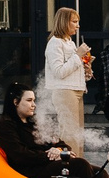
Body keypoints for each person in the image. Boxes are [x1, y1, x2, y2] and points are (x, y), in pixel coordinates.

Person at [0, 84, 92, 178]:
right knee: (81, 165)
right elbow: (20, 155)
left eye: (34, 100)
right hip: (31, 171)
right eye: (29, 100)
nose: (34, 105)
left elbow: (62, 145)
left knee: (98, 172)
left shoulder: (35, 122)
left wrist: (59, 151)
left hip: (47, 165)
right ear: (16, 102)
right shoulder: (5, 125)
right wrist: (52, 157)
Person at [37, 8, 90, 149]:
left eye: (78, 22)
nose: (77, 26)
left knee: (77, 133)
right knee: (69, 134)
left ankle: (78, 165)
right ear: (64, 22)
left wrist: (86, 68)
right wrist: (78, 56)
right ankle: (70, 166)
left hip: (76, 89)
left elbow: (71, 68)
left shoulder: (70, 42)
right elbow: (59, 72)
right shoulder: (55, 43)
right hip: (65, 91)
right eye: (74, 21)